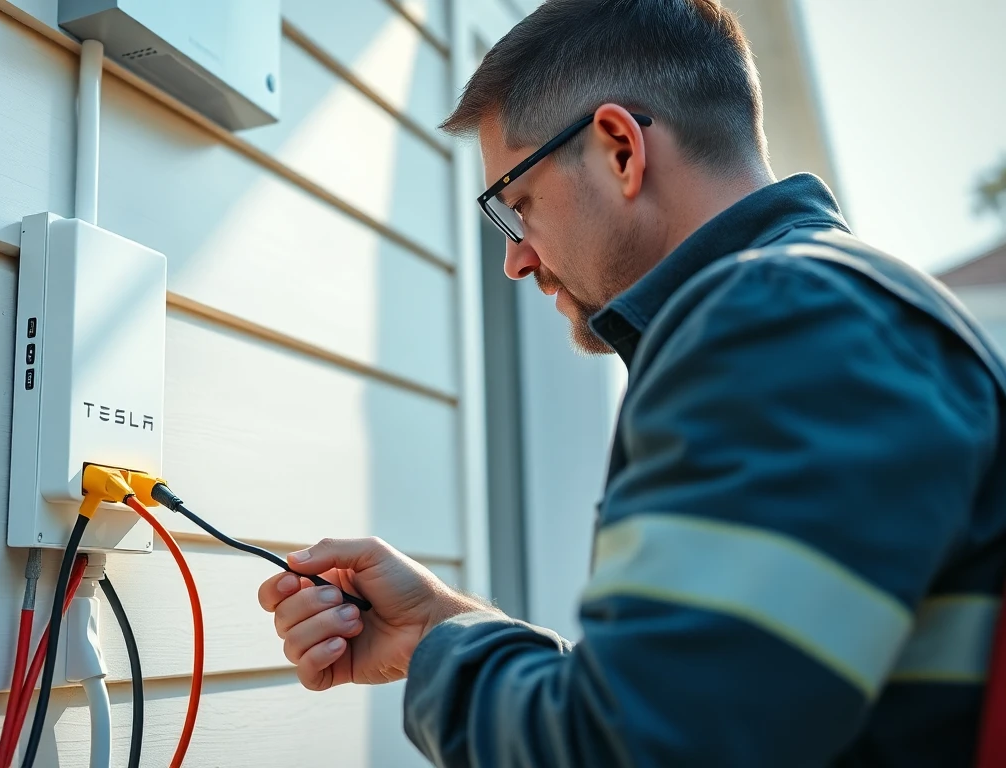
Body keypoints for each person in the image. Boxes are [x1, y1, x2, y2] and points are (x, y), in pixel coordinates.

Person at [255, 0, 1006, 765]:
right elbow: (707, 708)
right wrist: (436, 631)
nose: (515, 259)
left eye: (516, 206)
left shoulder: (776, 322)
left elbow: (634, 751)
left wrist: (445, 661)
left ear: (619, 148)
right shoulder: (833, 311)